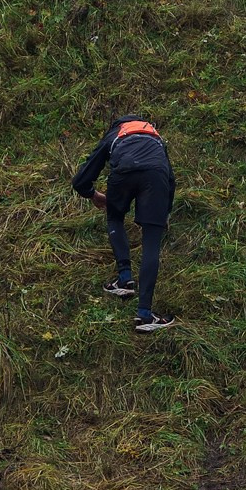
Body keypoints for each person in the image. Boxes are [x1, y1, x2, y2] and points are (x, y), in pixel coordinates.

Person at [72, 116, 177, 335]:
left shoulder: (115, 134)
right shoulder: (154, 136)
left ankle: (124, 279)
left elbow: (81, 179)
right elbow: (170, 179)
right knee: (151, 242)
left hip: (123, 171)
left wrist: (93, 195)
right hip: (156, 176)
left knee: (115, 216)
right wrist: (164, 213)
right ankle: (145, 315)